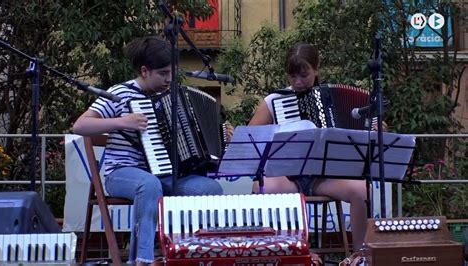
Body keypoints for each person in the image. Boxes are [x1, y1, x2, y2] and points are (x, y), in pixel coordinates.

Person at [72, 36, 223, 265]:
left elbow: (192, 136)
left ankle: (190, 255)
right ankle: (142, 259)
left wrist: (221, 134)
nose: (168, 79)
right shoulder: (119, 93)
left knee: (210, 189)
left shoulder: (174, 98)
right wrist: (123, 122)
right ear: (144, 71)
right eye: (162, 73)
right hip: (122, 173)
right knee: (148, 184)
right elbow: (80, 125)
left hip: (164, 174)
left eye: (171, 72)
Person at [248, 43, 368, 252]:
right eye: (292, 76)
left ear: (316, 69)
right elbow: (250, 137)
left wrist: (375, 128)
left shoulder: (334, 98)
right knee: (261, 188)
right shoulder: (275, 100)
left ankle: (360, 256)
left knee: (361, 190)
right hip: (288, 179)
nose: (297, 82)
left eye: (304, 75)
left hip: (324, 179)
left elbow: (362, 136)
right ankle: (277, 252)